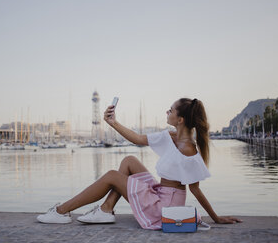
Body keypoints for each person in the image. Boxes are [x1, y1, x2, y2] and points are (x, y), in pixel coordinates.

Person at [36, 98, 242, 228]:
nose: (167, 112)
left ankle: (61, 212)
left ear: (180, 120)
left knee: (111, 176)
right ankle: (106, 209)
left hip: (165, 208)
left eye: (171, 110)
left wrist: (216, 218)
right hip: (160, 194)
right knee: (129, 160)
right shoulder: (171, 137)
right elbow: (137, 139)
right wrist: (113, 122)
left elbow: (195, 189)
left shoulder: (188, 148)